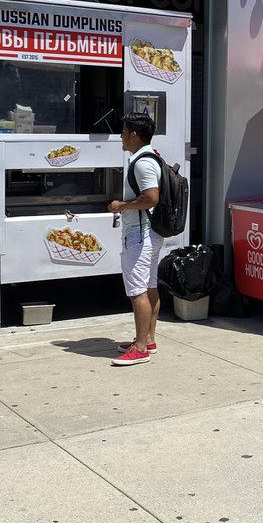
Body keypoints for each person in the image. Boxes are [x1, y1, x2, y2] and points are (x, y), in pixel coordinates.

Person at [107, 112, 163, 367]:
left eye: (123, 132)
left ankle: (140, 349)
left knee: (137, 292)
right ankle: (148, 340)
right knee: (149, 287)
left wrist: (121, 205)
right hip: (151, 233)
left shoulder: (142, 163)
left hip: (140, 236)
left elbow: (151, 198)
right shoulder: (152, 157)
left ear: (133, 134)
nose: (120, 137)